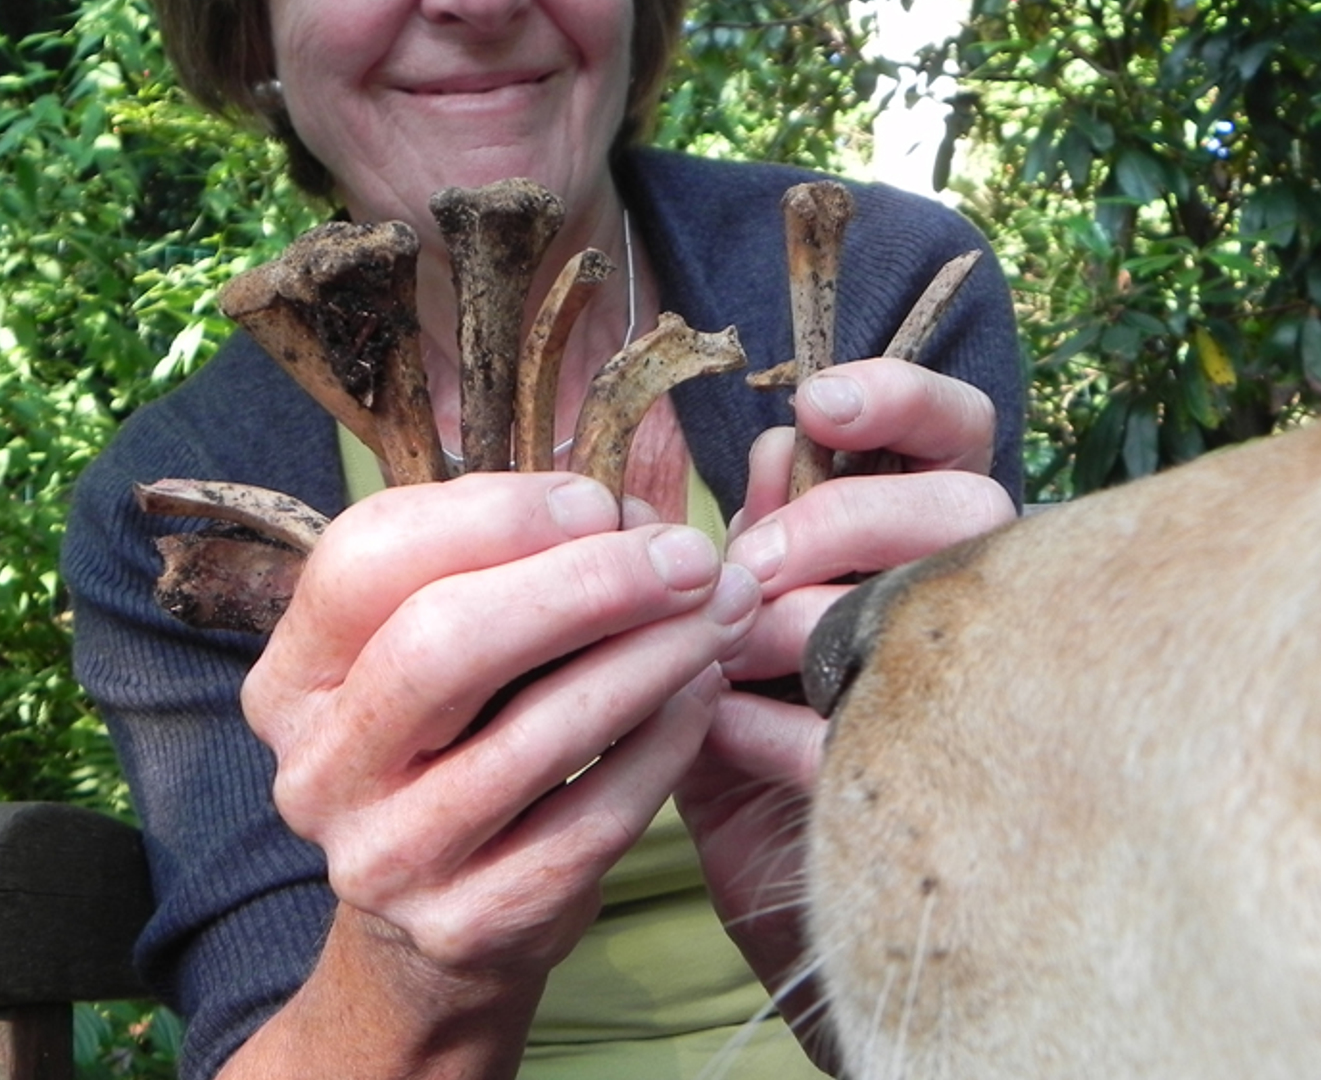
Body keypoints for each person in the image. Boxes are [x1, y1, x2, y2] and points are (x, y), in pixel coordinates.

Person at [60, 0, 1026, 1076]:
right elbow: (263, 1031)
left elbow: (1040, 981)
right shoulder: (183, 512)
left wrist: (863, 887)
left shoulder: (883, 290)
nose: (476, 4)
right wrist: (418, 960)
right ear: (251, 34)